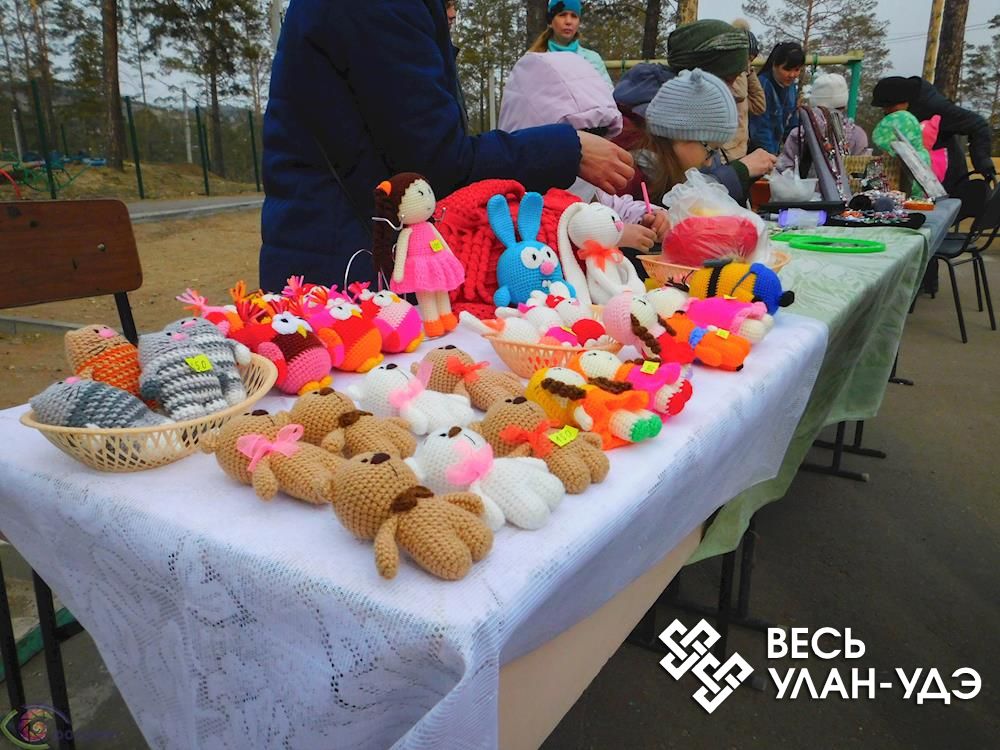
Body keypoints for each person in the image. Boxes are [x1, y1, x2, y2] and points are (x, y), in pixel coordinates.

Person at [259, 0, 633, 293]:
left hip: (337, 249)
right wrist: (568, 148)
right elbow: (437, 162)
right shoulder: (379, 8)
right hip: (346, 266)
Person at [499, 51, 669, 253]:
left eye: (599, 134)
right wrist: (612, 235)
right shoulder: (514, 194)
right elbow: (539, 236)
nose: (590, 148)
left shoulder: (589, 184)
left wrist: (648, 215)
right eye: (579, 136)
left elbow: (613, 206)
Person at [612, 19, 777, 204]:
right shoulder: (644, 144)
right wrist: (737, 173)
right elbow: (674, 202)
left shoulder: (686, 128)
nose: (732, 92)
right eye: (728, 80)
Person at [630, 69, 740, 207]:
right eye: (710, 150)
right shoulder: (629, 182)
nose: (709, 162)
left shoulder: (663, 177)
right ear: (681, 136)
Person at [870, 75, 995, 190]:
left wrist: (982, 162)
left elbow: (978, 124)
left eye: (890, 106)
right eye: (884, 108)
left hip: (947, 179)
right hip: (915, 178)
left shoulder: (936, 108)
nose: (887, 112)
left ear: (904, 100)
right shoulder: (900, 115)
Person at [776, 73, 869, 173]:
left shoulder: (800, 133)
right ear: (844, 104)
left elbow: (784, 169)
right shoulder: (858, 135)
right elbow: (861, 172)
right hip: (846, 183)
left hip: (804, 182)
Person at [527, 0, 614, 88]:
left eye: (574, 16)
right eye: (562, 15)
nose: (568, 21)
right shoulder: (533, 59)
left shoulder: (592, 59)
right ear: (550, 22)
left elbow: (607, 93)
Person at [749, 41, 804, 155]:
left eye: (797, 70)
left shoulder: (791, 87)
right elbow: (760, 130)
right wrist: (771, 157)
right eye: (787, 69)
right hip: (759, 152)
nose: (792, 75)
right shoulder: (762, 86)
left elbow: (792, 126)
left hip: (775, 150)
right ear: (774, 65)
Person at [725, 18, 767, 159]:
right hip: (725, 154)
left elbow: (759, 106)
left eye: (751, 60)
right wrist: (742, 70)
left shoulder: (745, 76)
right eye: (746, 58)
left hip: (740, 151)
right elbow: (740, 93)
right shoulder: (726, 81)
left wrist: (750, 74)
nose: (748, 64)